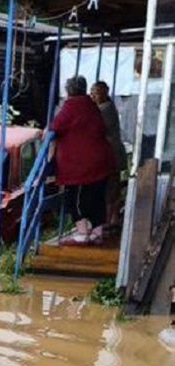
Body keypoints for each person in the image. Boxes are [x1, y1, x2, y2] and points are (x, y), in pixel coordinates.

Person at [49, 75, 116, 245]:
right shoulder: (92, 106)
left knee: (74, 198)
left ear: (69, 91)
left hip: (80, 165)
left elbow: (55, 126)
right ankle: (97, 231)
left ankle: (82, 232)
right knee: (97, 196)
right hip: (100, 160)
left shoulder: (72, 106)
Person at [90, 80, 128, 228]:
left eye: (96, 93)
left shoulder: (105, 110)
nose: (93, 96)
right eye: (92, 93)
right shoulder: (106, 107)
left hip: (111, 154)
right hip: (112, 153)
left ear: (105, 93)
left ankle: (110, 218)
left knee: (110, 188)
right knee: (112, 187)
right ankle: (112, 217)